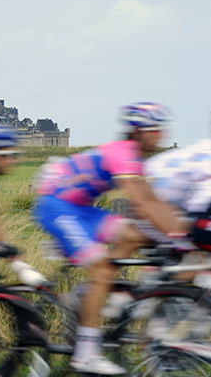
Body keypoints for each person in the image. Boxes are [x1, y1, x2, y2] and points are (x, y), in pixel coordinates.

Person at [34, 102, 186, 375]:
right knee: (103, 270)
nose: (160, 136)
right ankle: (86, 353)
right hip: (57, 207)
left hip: (81, 208)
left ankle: (91, 293)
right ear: (138, 131)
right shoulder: (122, 153)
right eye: (155, 130)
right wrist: (180, 235)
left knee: (135, 235)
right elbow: (143, 203)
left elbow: (151, 203)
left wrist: (178, 229)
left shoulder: (134, 158)